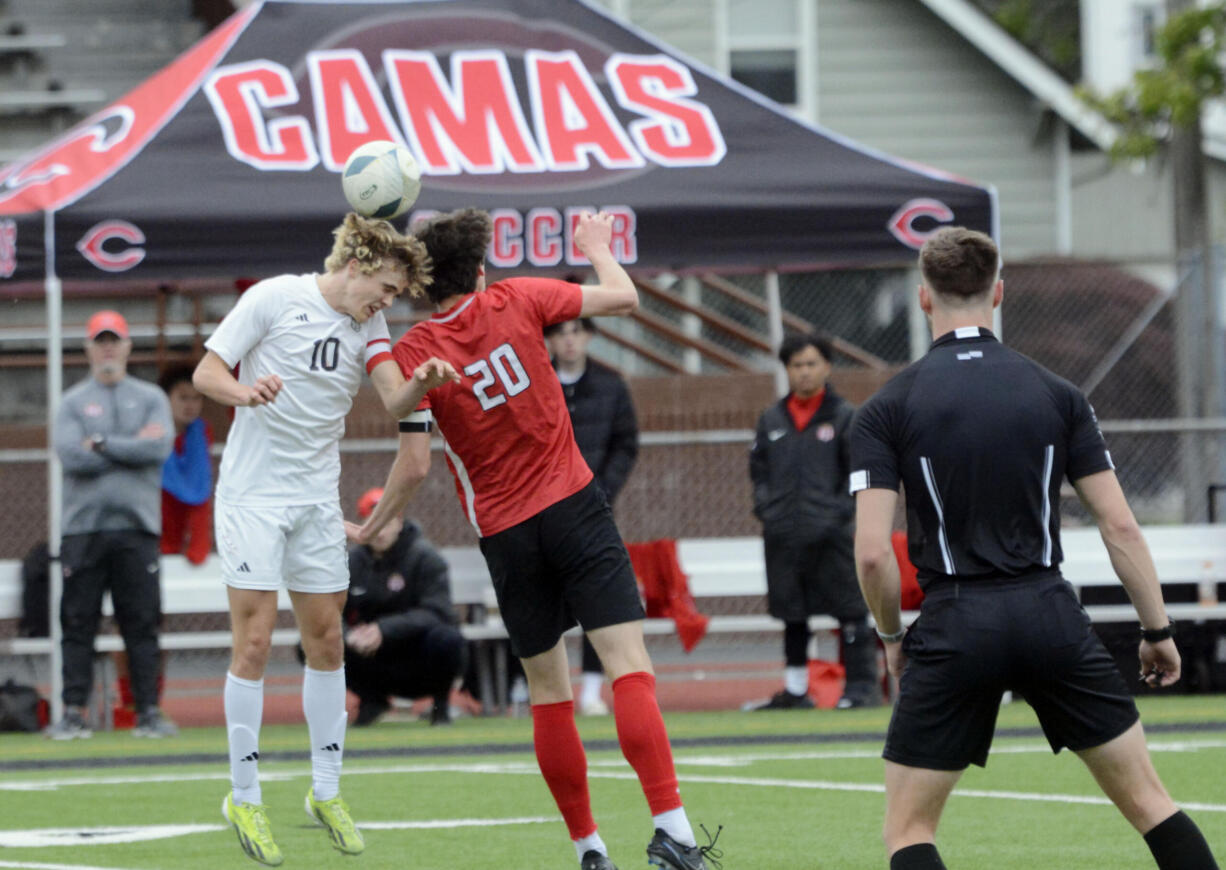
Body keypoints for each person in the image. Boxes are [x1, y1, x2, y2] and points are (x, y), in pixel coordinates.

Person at [352, 209, 719, 870]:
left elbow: (409, 452)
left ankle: (589, 848)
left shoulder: (414, 353)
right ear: (483, 268)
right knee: (628, 667)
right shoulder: (518, 296)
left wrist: (373, 528)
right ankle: (675, 832)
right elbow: (626, 297)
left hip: (507, 533)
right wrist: (597, 247)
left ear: (423, 284)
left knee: (549, 695)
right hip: (575, 507)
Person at [849, 227, 1219, 870]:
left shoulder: (886, 407)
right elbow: (1120, 527)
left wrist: (890, 641)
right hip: (1050, 615)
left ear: (922, 299)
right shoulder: (1059, 394)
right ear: (998, 294)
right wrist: (1157, 628)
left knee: (909, 831)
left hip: (956, 621)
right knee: (1151, 804)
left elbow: (873, 555)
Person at [192, 212, 453, 867]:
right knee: (253, 641)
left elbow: (394, 399)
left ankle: (326, 791)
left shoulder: (370, 325)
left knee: (328, 640)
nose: (387, 302)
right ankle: (244, 795)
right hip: (253, 495)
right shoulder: (274, 298)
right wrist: (246, 393)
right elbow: (206, 375)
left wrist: (422, 385)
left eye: (395, 296)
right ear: (360, 264)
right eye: (387, 287)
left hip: (314, 500)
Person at [48, 309, 178, 740]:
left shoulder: (151, 398)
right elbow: (72, 455)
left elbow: (158, 448)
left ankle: (148, 713)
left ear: (127, 346)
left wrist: (101, 443)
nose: (107, 347)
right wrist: (128, 447)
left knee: (141, 623)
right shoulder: (70, 402)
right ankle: (73, 712)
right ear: (87, 347)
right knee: (78, 622)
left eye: (114, 339)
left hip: (137, 530)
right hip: (82, 530)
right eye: (99, 340)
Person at [747, 332, 877, 710]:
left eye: (811, 364)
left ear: (827, 367)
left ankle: (860, 688)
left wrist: (835, 515)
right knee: (793, 613)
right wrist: (768, 512)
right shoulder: (771, 418)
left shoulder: (845, 416)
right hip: (784, 535)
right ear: (786, 369)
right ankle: (796, 689)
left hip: (833, 536)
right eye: (796, 365)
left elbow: (856, 475)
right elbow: (759, 473)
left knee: (850, 610)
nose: (804, 372)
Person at [545, 315, 640, 716]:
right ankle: (548, 688)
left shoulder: (610, 384)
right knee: (545, 600)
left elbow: (626, 443)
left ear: (588, 336)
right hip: (541, 508)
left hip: (593, 510)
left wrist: (601, 490)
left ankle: (592, 688)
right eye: (560, 333)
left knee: (597, 598)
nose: (569, 341)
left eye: (576, 332)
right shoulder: (534, 380)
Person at [343, 487, 465, 727]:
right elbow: (332, 612)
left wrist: (384, 629)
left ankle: (441, 707)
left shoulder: (425, 557)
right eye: (372, 523)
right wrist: (350, 636)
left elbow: (438, 611)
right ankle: (372, 701)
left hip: (418, 657)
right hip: (370, 658)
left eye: (385, 522)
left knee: (448, 638)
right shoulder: (351, 562)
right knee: (315, 642)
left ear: (399, 522)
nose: (379, 531)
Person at [158, 364, 213, 565]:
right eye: (183, 397)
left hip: (187, 542)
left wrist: (199, 545)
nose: (190, 405)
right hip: (158, 534)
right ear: (166, 398)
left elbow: (200, 488)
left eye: (196, 398)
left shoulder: (202, 432)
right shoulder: (153, 433)